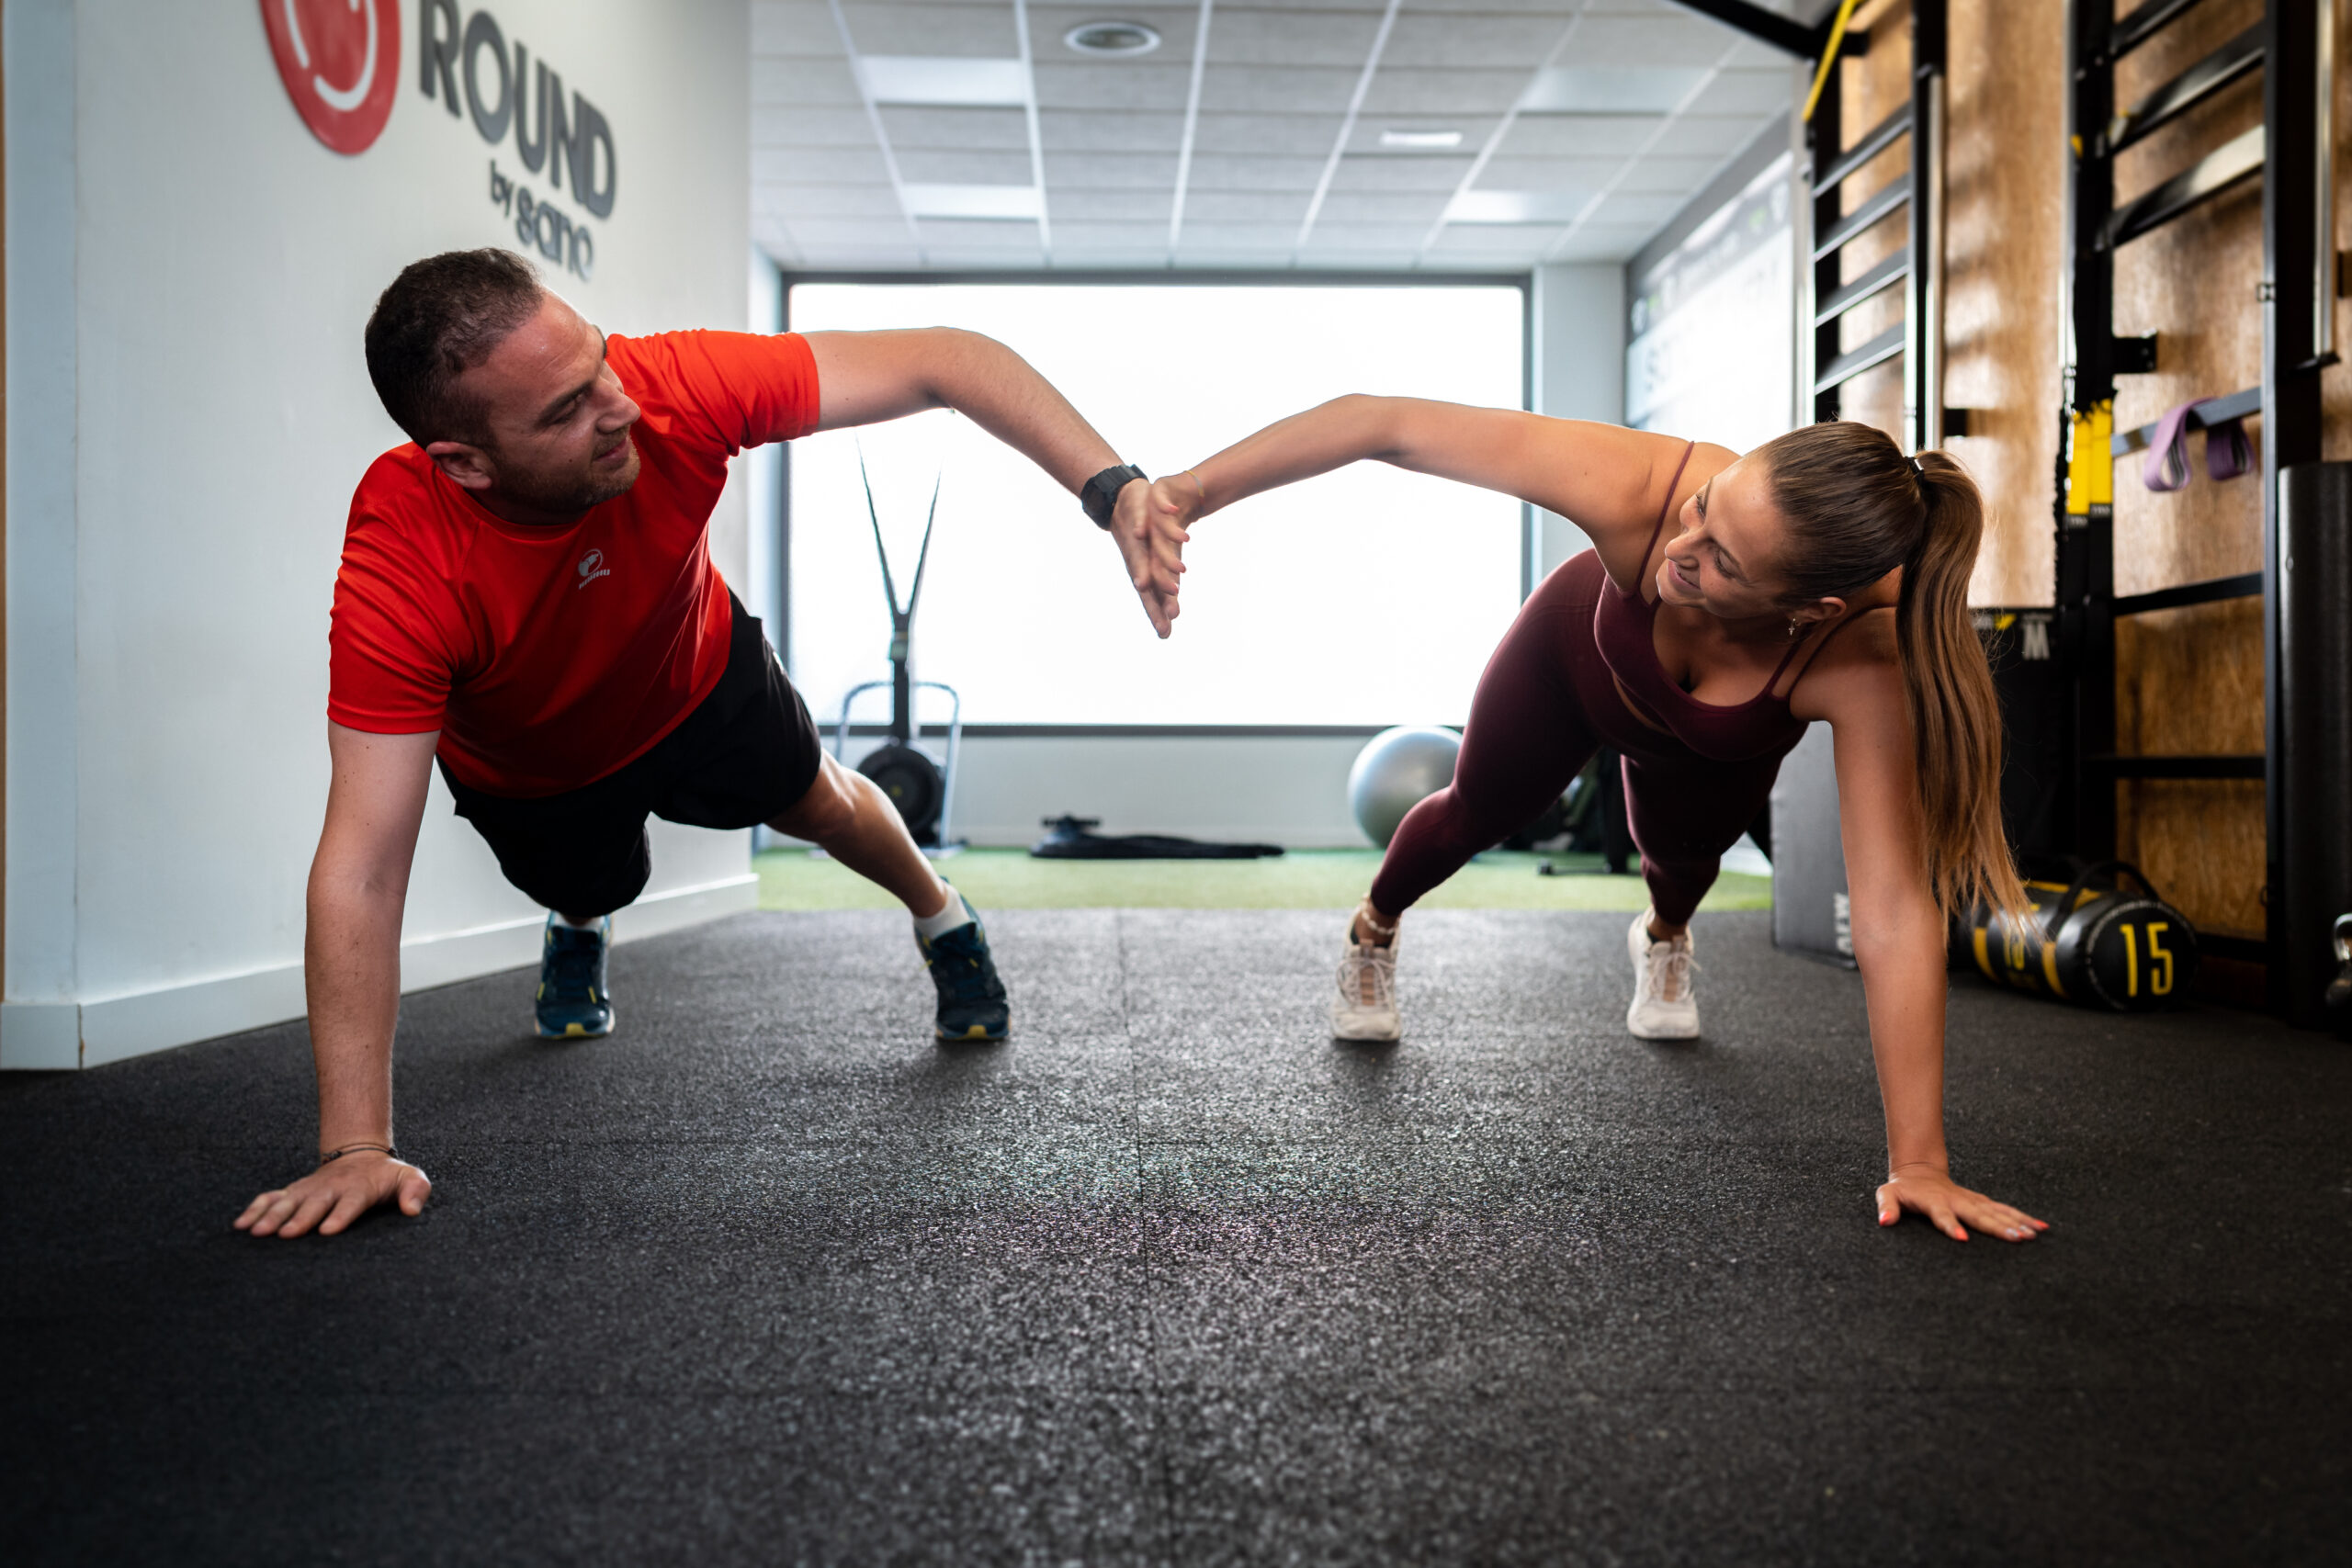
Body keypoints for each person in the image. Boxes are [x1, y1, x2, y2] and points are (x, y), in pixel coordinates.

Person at [238, 248, 1177, 1239]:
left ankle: (944, 918)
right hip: (538, 768)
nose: (619, 409)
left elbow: (947, 359)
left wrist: (1110, 487)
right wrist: (355, 1148)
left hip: (691, 674)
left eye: (597, 363)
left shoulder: (666, 386)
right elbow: (365, 865)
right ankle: (581, 924)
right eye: (564, 411)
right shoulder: (404, 563)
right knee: (596, 883)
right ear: (463, 462)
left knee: (817, 798)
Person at [1144, 401, 2049, 1244]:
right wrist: (1187, 492)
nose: (1680, 550)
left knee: (1684, 865)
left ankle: (1663, 936)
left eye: (1723, 563)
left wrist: (1920, 1162)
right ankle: (1372, 929)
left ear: (1808, 611)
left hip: (1702, 746)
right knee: (1475, 813)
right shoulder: (1644, 491)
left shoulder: (1859, 654)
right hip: (1568, 661)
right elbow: (1389, 424)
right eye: (1702, 509)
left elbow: (1891, 904)